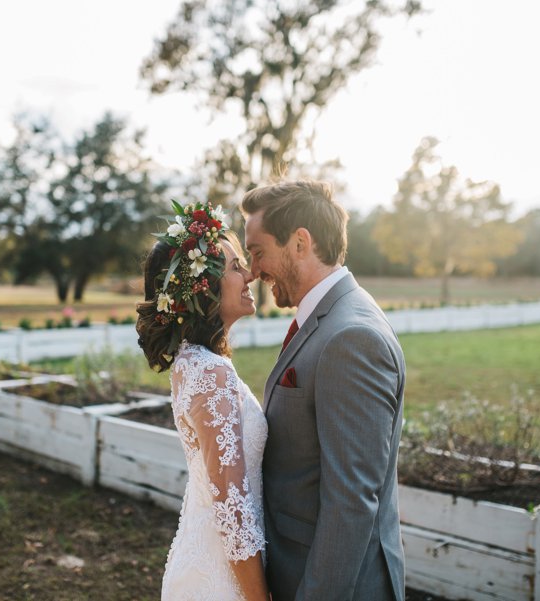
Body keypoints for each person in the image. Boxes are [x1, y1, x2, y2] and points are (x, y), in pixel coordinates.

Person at [241, 180, 407, 601]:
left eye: (258, 252)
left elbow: (351, 502)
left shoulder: (351, 337)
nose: (253, 270)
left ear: (300, 243)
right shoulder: (327, 318)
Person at [136, 200, 270, 601]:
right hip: (222, 582)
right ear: (202, 288)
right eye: (234, 267)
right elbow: (232, 511)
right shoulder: (209, 372)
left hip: (209, 564)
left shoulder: (196, 362)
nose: (249, 275)